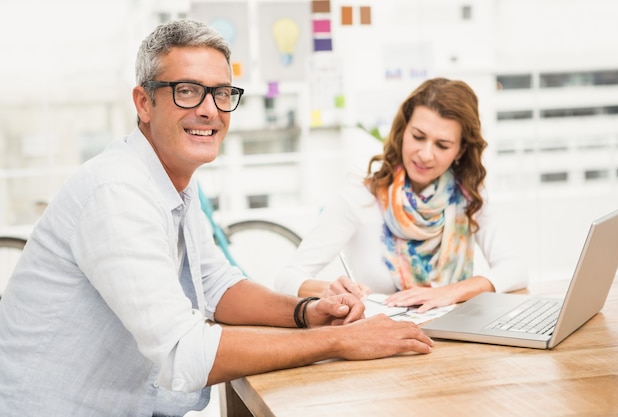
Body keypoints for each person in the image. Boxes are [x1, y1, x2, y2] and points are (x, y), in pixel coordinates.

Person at [0, 20, 434, 417]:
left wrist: (306, 312)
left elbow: (218, 286)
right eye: (187, 90)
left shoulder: (175, 182)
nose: (210, 110)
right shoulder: (117, 191)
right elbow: (183, 352)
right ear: (143, 102)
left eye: (221, 93)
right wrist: (340, 340)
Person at [276, 78, 528, 312]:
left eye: (442, 145)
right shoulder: (359, 197)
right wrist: (326, 289)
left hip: (456, 341)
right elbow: (286, 277)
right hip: (384, 345)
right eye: (418, 137)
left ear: (461, 150)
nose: (425, 154)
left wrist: (449, 293)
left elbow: (515, 270)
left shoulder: (468, 195)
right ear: (403, 130)